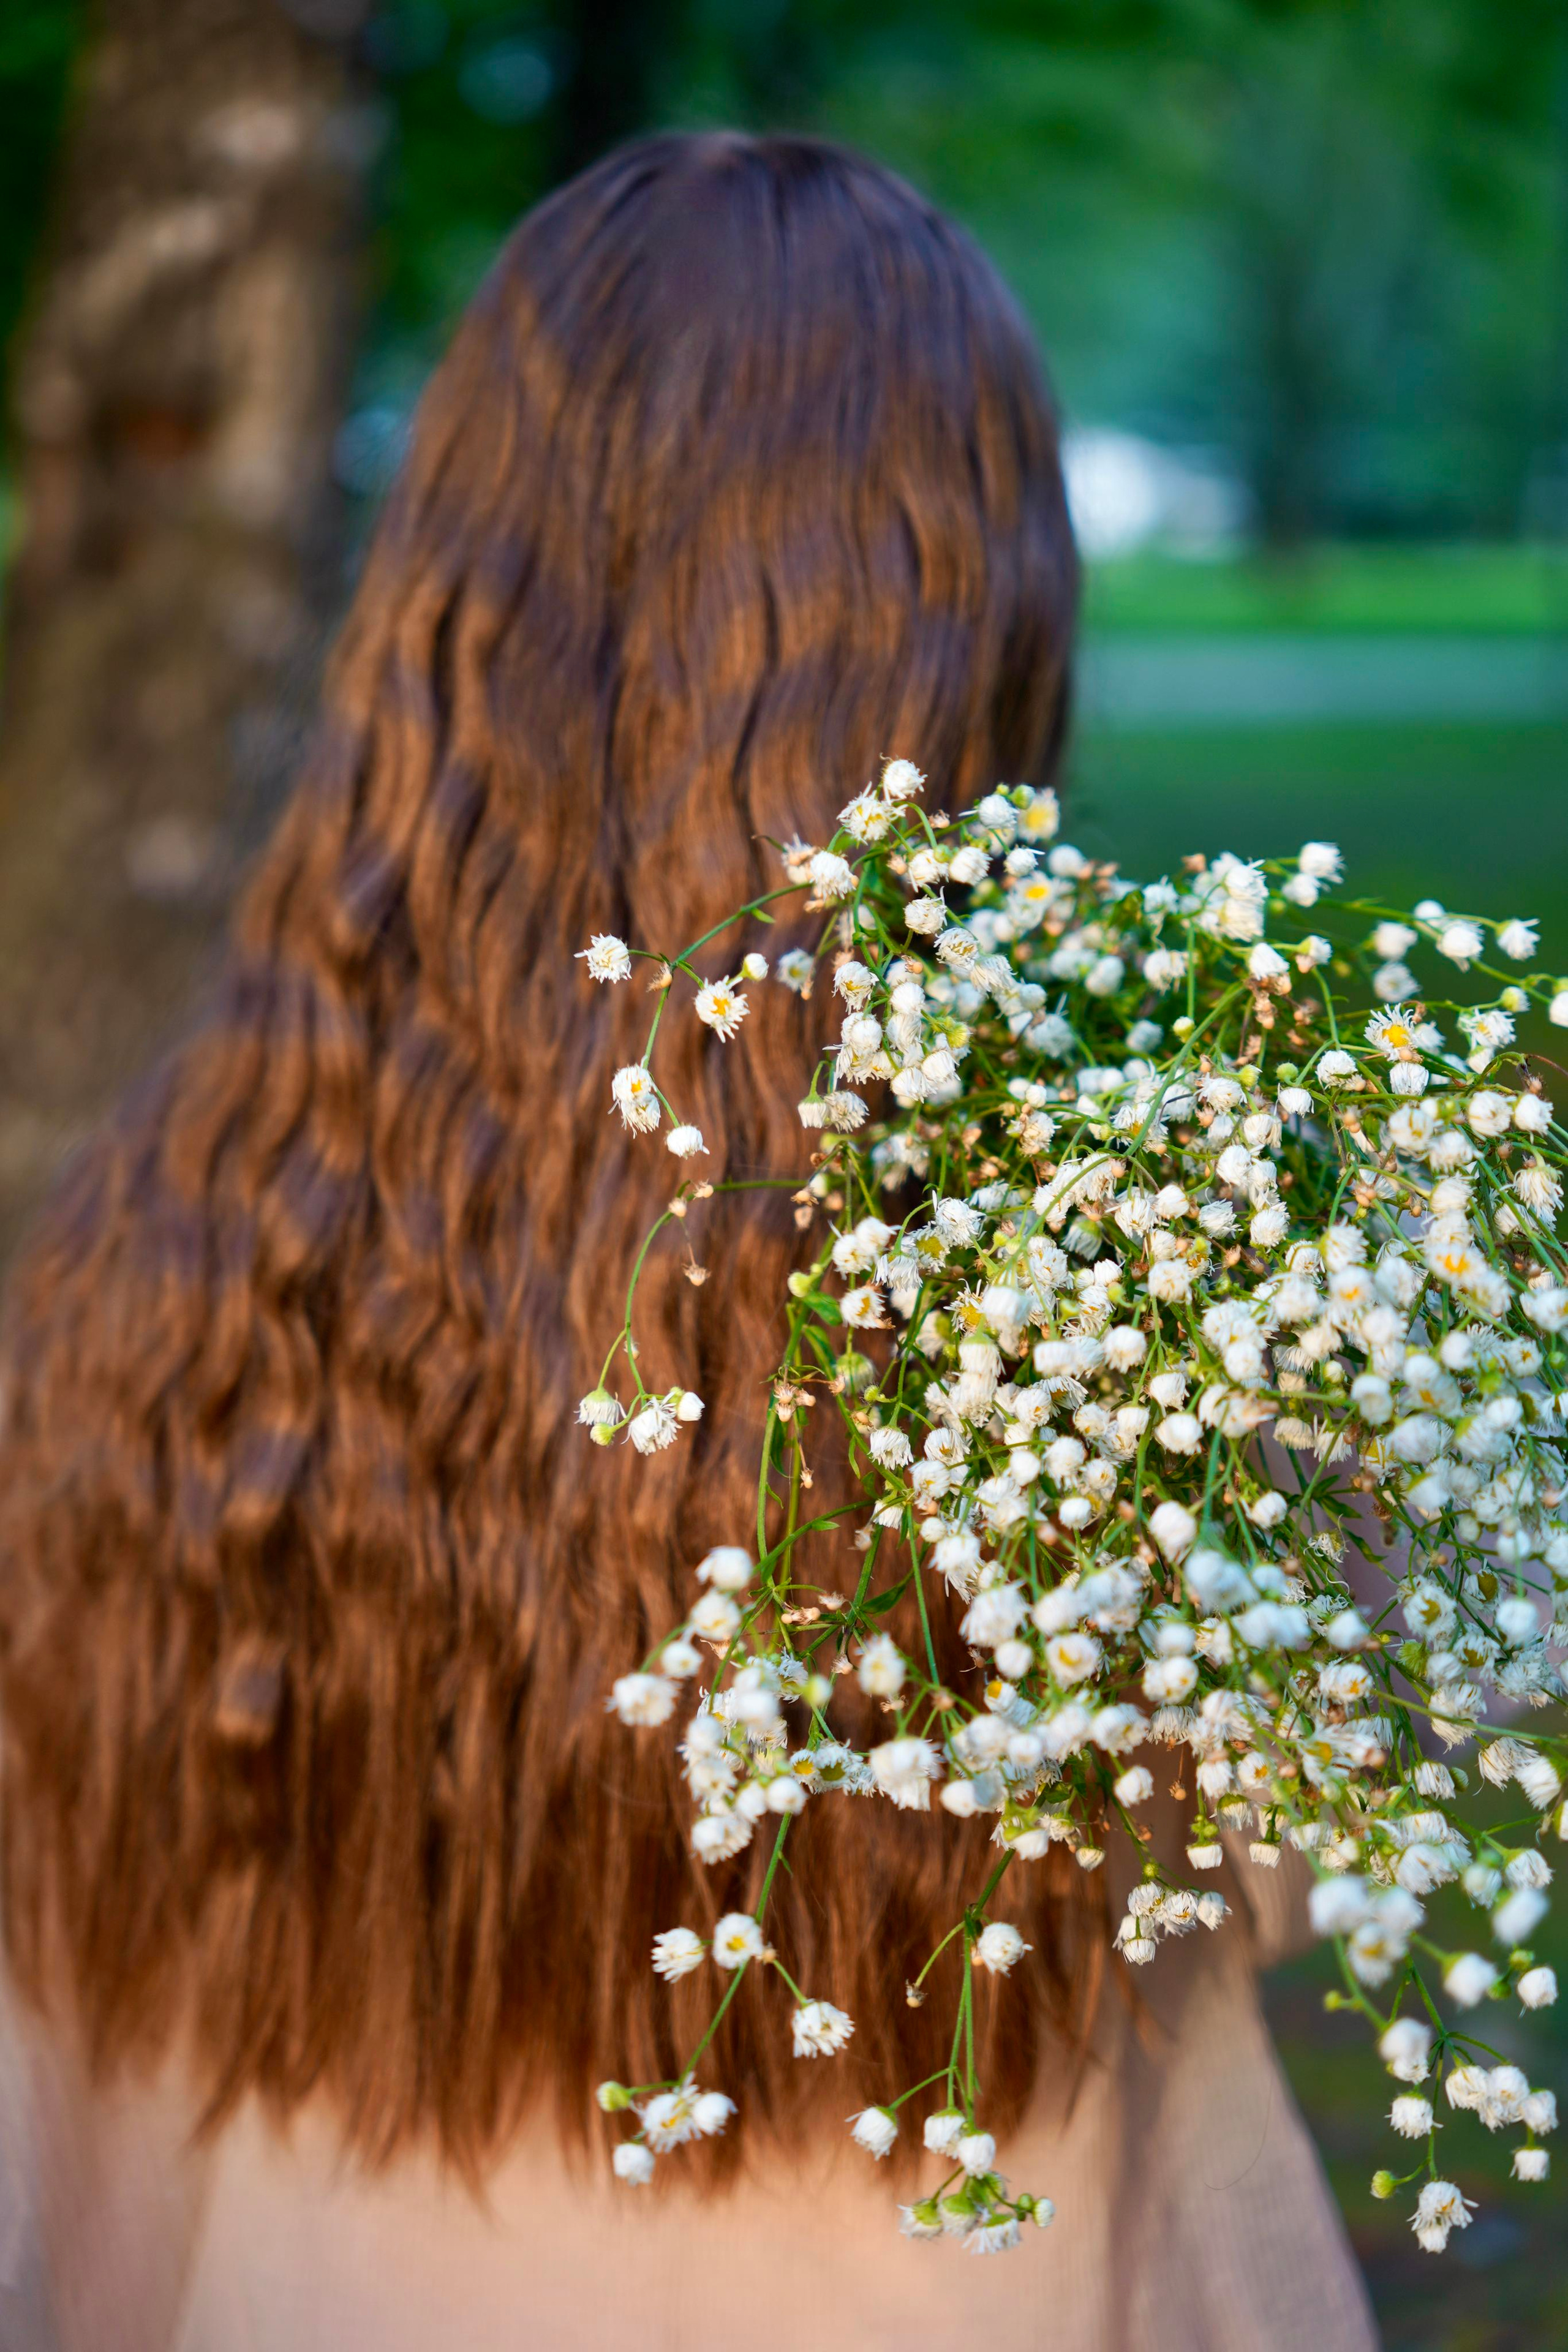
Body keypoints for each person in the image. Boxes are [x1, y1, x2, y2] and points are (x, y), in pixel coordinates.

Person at [0, 132, 1378, 2351]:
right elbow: (1294, 1860)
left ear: (451, 595)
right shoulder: (1137, 1299)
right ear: (986, 630)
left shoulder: (176, 1275)